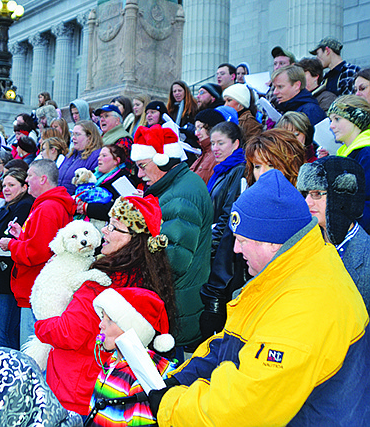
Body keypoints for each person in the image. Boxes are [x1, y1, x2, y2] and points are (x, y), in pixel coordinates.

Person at [150, 169, 370, 426]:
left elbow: (244, 408)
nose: (235, 249)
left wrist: (170, 406)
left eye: (243, 240)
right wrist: (181, 377)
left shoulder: (308, 303)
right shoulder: (288, 270)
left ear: (273, 242)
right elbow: (233, 340)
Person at [34, 195, 175, 415]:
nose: (104, 231)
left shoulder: (101, 281)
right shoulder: (149, 277)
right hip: (111, 390)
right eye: (107, 224)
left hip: (74, 389)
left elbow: (68, 333)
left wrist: (41, 324)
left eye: (114, 227)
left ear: (134, 238)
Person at [200, 129, 306, 340]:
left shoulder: (307, 208)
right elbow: (225, 260)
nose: (263, 174)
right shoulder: (248, 203)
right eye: (257, 166)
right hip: (244, 305)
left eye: (272, 165)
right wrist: (213, 309)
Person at [131, 125, 213, 353]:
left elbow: (173, 260)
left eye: (142, 167)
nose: (139, 174)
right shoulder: (178, 187)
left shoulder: (181, 196)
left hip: (179, 307)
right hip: (179, 302)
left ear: (164, 160)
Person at [0, 159, 76, 345]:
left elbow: (37, 252)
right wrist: (21, 235)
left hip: (36, 290)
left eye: (30, 176)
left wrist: (11, 245)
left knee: (32, 353)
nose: (26, 182)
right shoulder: (49, 205)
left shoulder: (47, 208)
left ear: (42, 179)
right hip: (37, 288)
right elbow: (42, 243)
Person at [87, 287, 178, 427]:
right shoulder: (112, 360)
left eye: (110, 319)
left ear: (131, 329)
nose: (101, 324)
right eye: (102, 317)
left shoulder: (141, 374)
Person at [297, 156, 370, 310]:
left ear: (342, 197)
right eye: (306, 194)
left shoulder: (367, 258)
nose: (307, 202)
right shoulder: (303, 244)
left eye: (317, 193)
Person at [0, 169, 34, 349]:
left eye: (11, 185)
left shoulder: (24, 206)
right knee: (0, 331)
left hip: (7, 277)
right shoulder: (9, 206)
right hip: (0, 274)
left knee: (3, 333)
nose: (6, 189)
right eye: (4, 185)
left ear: (24, 187)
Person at [328, 95, 370, 231]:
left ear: (357, 120)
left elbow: (366, 201)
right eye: (330, 120)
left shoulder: (366, 155)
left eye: (337, 119)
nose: (331, 126)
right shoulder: (346, 153)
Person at [207, 122, 245, 256]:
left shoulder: (238, 170)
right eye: (212, 143)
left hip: (221, 248)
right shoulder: (221, 169)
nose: (215, 148)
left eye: (220, 143)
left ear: (235, 144)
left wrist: (211, 246)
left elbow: (228, 213)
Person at [74, 144, 136, 224]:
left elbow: (122, 209)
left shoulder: (124, 180)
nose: (99, 158)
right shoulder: (91, 175)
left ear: (116, 161)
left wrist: (87, 207)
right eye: (99, 155)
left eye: (104, 156)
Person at [58, 120, 103, 195]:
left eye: (77, 134)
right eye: (73, 134)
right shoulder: (70, 155)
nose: (73, 138)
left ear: (89, 137)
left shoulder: (96, 156)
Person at [191, 108, 226, 184]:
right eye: (196, 129)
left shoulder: (218, 156)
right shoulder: (204, 153)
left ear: (211, 128)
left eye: (200, 128)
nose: (196, 133)